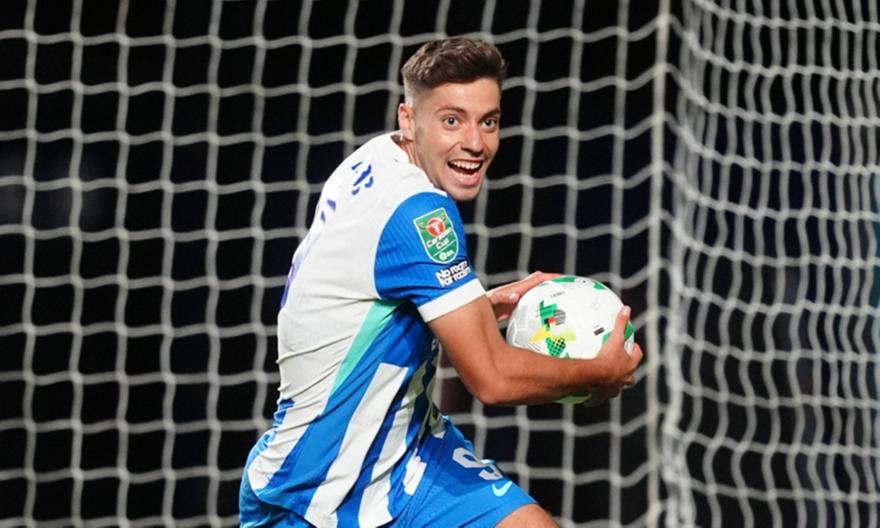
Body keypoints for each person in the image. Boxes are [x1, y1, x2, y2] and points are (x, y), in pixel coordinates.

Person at [239, 36, 643, 527]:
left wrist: (473, 306)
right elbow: (491, 379)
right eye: (452, 120)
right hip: (316, 491)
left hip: (411, 453)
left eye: (488, 121)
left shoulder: (374, 158)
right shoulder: (419, 213)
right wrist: (597, 373)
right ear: (409, 119)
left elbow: (369, 306)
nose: (475, 143)